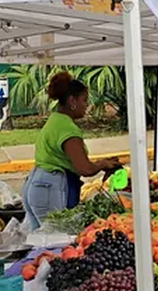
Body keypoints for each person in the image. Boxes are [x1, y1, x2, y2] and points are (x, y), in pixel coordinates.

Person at [22, 72, 122, 230]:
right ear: (72, 101)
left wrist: (103, 163)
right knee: (59, 237)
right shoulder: (67, 128)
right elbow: (85, 168)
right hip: (50, 188)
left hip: (35, 185)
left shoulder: (55, 120)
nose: (86, 105)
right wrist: (102, 164)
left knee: (40, 240)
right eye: (84, 100)